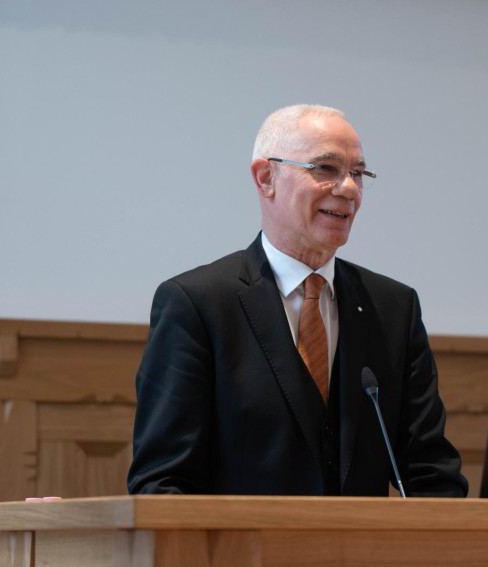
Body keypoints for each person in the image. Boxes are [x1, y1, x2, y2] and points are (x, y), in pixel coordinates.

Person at [127, 104, 467, 497]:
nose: (349, 189)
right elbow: (162, 483)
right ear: (266, 177)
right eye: (326, 168)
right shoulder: (198, 305)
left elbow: (432, 476)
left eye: (357, 173)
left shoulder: (393, 309)